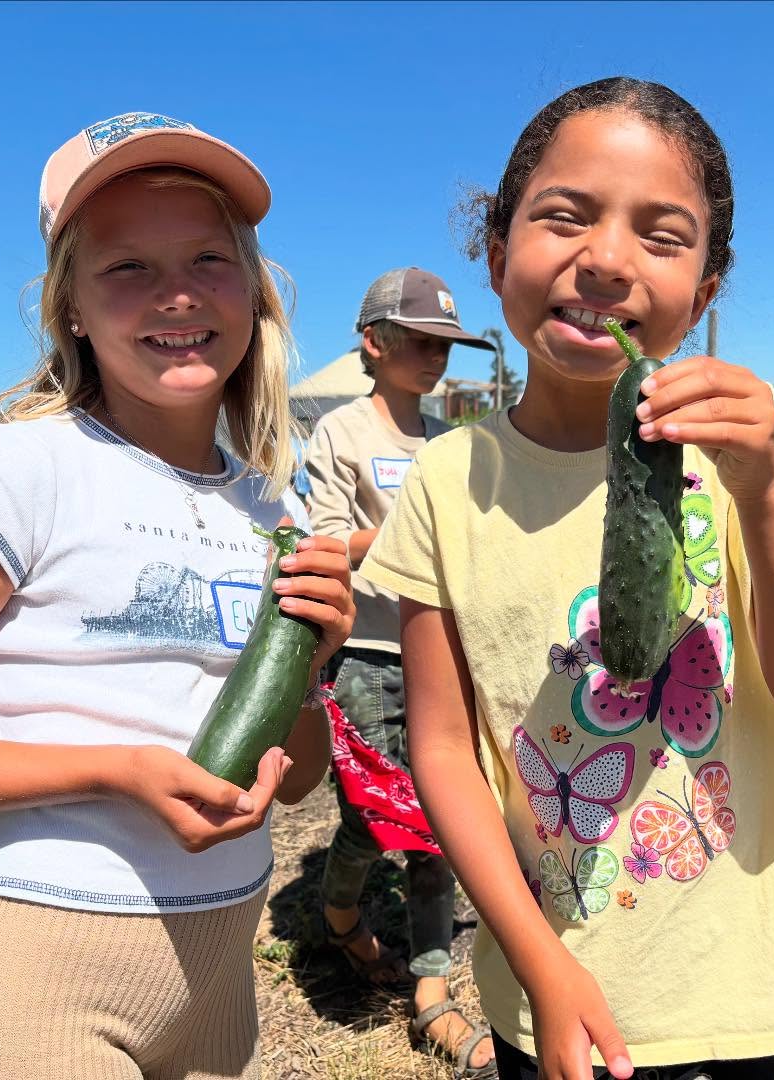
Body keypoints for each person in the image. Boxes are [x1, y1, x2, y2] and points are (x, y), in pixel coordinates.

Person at [0, 112, 355, 1080]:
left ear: (255, 291)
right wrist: (116, 770)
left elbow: (292, 782)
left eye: (210, 259)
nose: (177, 293)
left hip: (220, 977)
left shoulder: (272, 502)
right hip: (40, 979)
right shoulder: (27, 469)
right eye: (127, 267)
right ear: (73, 313)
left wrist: (312, 668)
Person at [359, 78, 774, 1080]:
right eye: (565, 217)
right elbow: (445, 751)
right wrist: (540, 967)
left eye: (662, 235)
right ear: (498, 252)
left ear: (704, 294)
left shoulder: (743, 449)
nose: (604, 260)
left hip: (741, 995)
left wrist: (762, 485)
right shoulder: (449, 480)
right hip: (550, 992)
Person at [306, 267, 498, 1077]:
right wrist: (416, 540)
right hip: (366, 654)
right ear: (373, 343)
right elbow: (321, 541)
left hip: (442, 652)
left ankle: (431, 992)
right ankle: (341, 907)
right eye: (420, 341)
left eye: (447, 345)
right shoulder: (342, 435)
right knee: (371, 816)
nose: (436, 358)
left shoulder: (457, 443)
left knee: (434, 824)